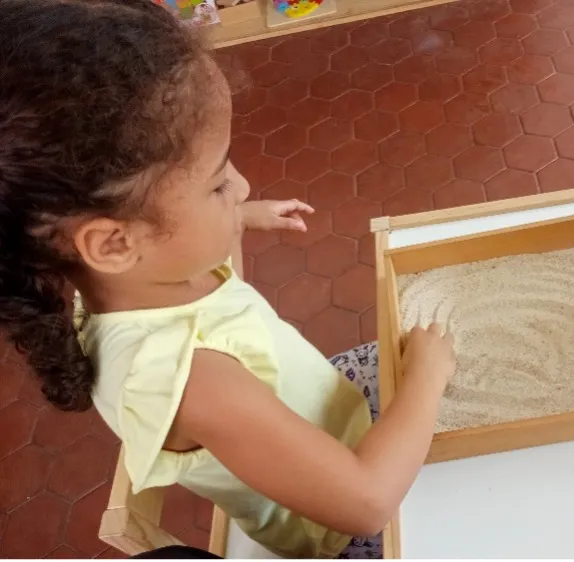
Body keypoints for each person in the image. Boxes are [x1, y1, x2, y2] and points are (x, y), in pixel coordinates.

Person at [0, 1, 456, 559]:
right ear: (115, 243)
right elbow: (366, 501)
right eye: (218, 185)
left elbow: (222, 296)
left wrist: (237, 217)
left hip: (333, 418)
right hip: (345, 528)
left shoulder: (144, 279)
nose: (241, 187)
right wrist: (426, 382)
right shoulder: (193, 380)